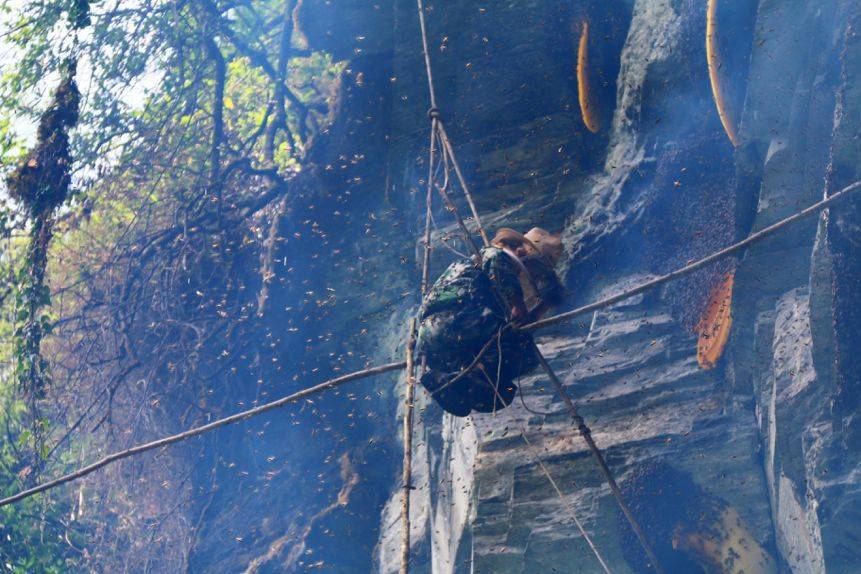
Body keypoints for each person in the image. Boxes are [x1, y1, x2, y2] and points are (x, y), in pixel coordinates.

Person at [417, 227, 565, 416]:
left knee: (504, 348)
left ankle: (458, 384)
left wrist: (543, 305)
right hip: (456, 323)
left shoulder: (473, 264)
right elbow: (518, 315)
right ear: (523, 251)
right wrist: (535, 308)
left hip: (435, 341)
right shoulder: (497, 256)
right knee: (524, 351)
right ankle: (488, 384)